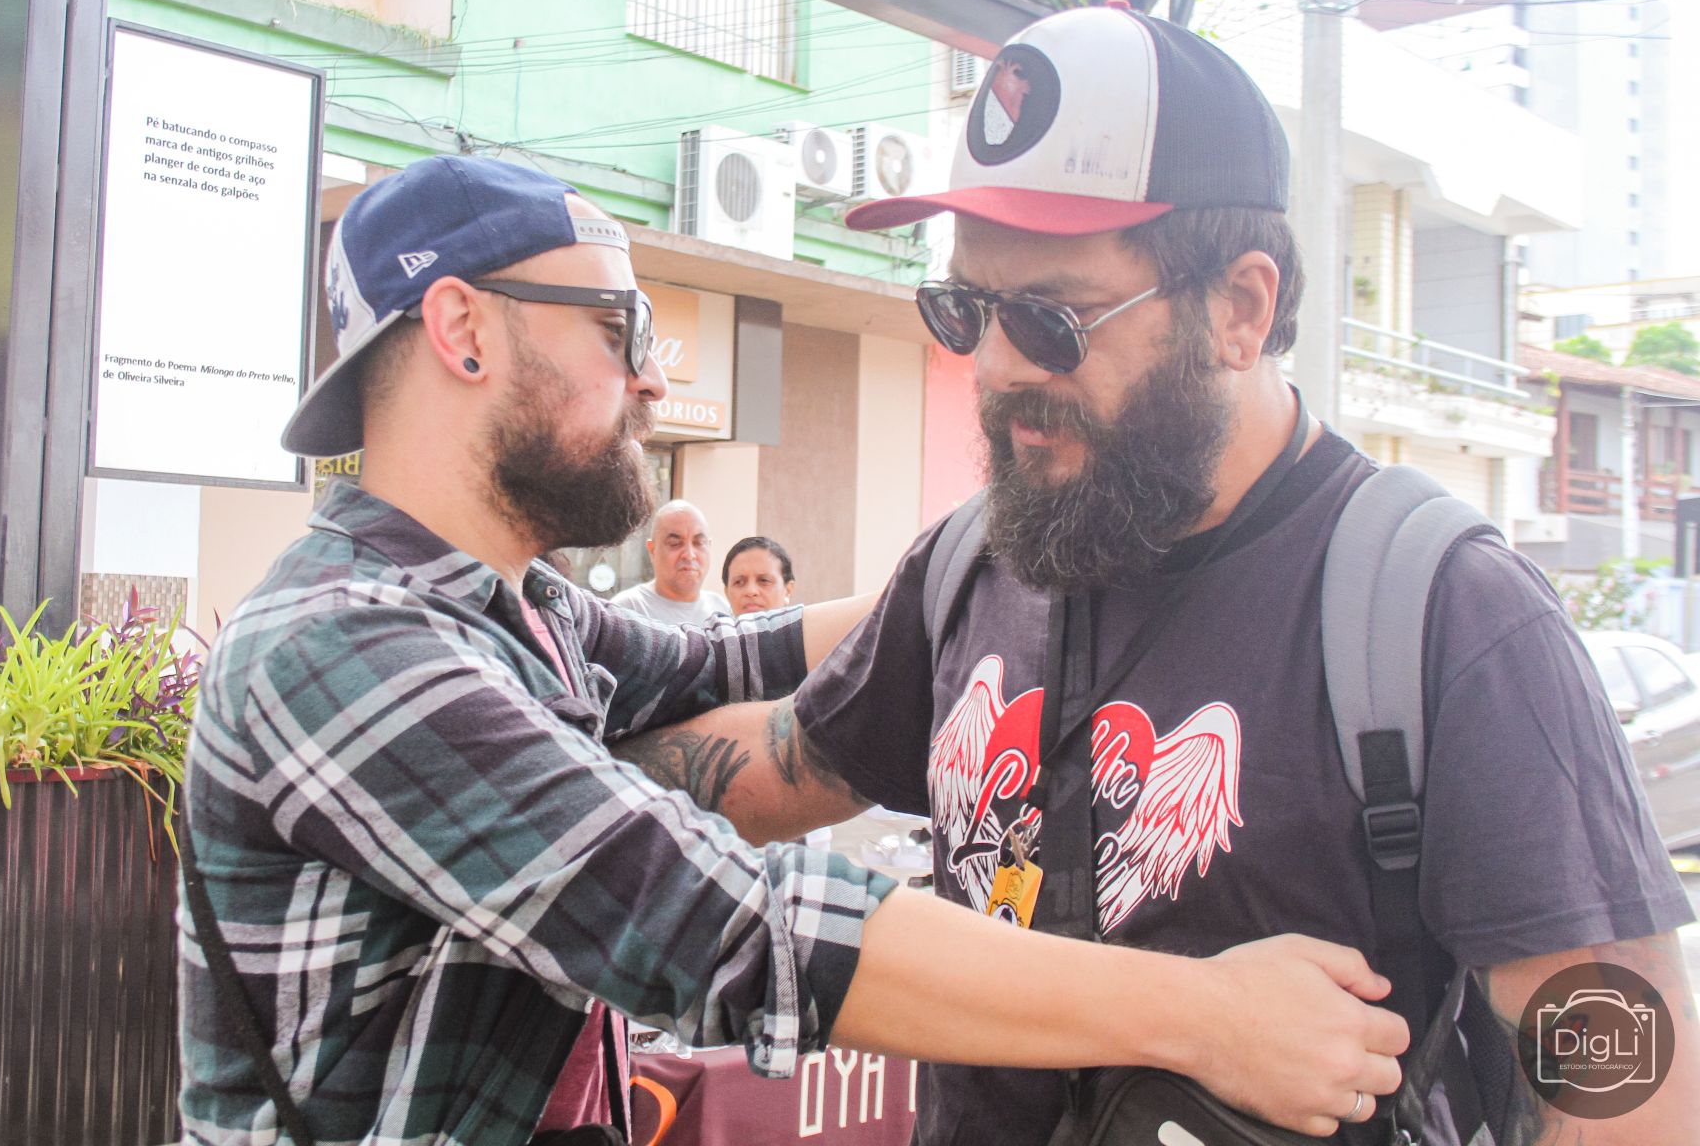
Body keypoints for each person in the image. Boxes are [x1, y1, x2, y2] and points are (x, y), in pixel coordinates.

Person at [616, 5, 1699, 1145]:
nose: (993, 365)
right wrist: (489, 759)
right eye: (966, 308)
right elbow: (772, 770)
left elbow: (1628, 1096)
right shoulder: (974, 562)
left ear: (1240, 308)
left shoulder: (1446, 615)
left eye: (1051, 315)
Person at [178, 153, 1411, 1146]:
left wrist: (1008, 558)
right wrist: (1206, 1014)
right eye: (622, 324)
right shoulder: (343, 650)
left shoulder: (520, 613)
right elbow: (726, 925)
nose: (655, 377)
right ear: (463, 330)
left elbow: (730, 659)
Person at [609, 500, 731, 626]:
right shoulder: (625, 611)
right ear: (652, 550)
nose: (689, 555)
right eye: (675, 543)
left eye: (699, 543)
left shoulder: (722, 611)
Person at [722, 535, 796, 614]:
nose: (751, 591)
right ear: (727, 594)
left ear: (788, 590)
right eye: (739, 582)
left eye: (764, 580)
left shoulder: (808, 624)